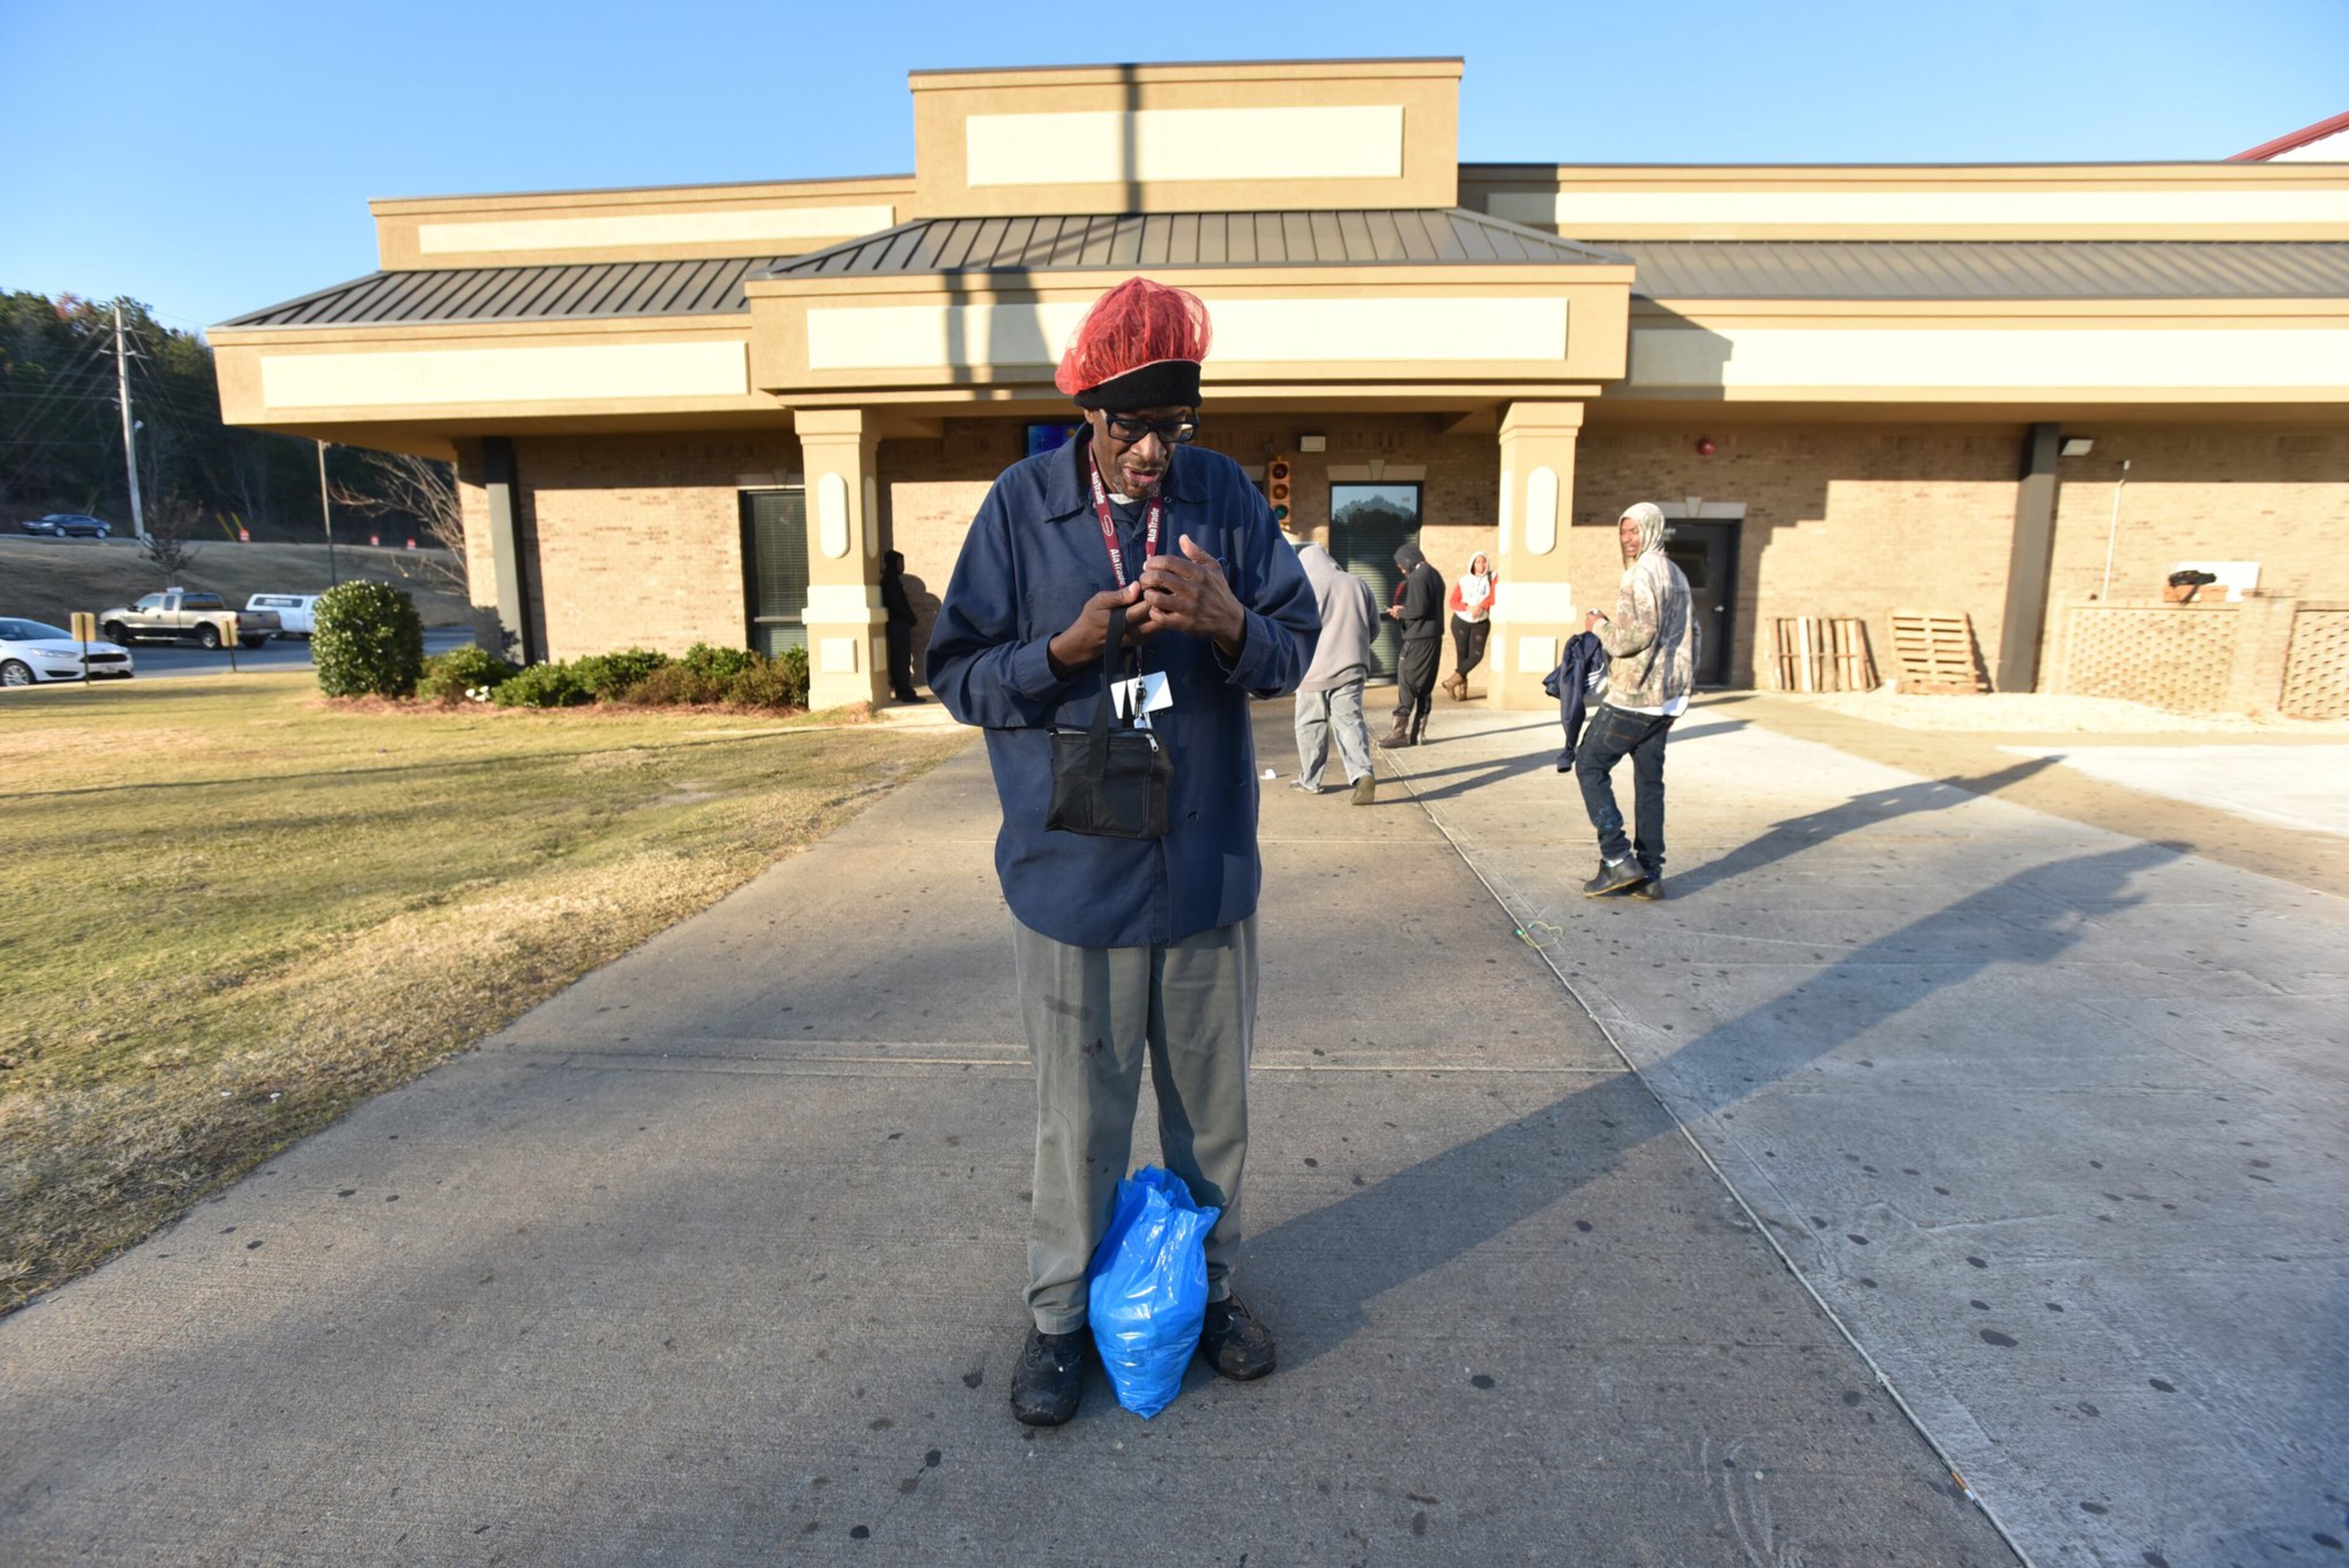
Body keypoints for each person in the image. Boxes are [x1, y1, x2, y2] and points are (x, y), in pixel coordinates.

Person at [926, 277, 1319, 1427]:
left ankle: (1207, 1293)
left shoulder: (1227, 501)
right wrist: (1064, 648)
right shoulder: (1018, 508)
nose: (1155, 451)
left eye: (1175, 427)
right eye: (1132, 426)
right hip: (1074, 875)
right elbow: (958, 673)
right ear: (1088, 412)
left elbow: (1295, 648)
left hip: (1202, 873)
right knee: (1080, 1119)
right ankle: (1058, 1320)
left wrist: (1229, 619)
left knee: (1212, 1114)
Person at [1576, 502, 1695, 901]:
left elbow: (1634, 636)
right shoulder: (1676, 574)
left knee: (1589, 763)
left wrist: (1598, 626)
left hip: (1636, 695)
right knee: (1649, 784)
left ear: (1652, 529)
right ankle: (1650, 873)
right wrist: (1682, 689)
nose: (1628, 538)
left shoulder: (1639, 574)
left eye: (1634, 530)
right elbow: (1693, 632)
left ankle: (1616, 857)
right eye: (1623, 530)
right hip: (1667, 700)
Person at [1290, 536, 1378, 804]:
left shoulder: (1304, 588)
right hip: (1351, 668)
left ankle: (1310, 780)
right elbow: (1373, 627)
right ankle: (1362, 773)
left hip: (1311, 672)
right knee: (1350, 721)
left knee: (1310, 726)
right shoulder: (1357, 584)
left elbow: (1292, 630)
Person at [1379, 541, 1445, 746]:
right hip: (1433, 638)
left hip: (1417, 640)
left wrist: (1400, 612)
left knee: (1407, 682)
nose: (1401, 569)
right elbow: (1424, 607)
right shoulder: (1434, 574)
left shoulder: (1418, 576)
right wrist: (1407, 609)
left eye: (1401, 565)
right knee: (1425, 686)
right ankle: (1418, 734)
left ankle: (1398, 734)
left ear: (1408, 559)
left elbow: (1418, 610)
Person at [1442, 551, 1496, 701]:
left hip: (1481, 622)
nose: (1482, 565)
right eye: (1478, 562)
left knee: (1476, 655)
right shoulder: (1464, 581)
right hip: (1461, 620)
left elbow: (1493, 598)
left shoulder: (1492, 578)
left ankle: (1450, 682)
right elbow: (1453, 601)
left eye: (1484, 561)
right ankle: (1462, 692)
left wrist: (1480, 607)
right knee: (1462, 655)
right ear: (1472, 564)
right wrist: (1469, 608)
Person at [880, 549, 920, 702]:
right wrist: (910, 618)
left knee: (903, 659)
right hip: (897, 625)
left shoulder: (894, 580)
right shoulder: (890, 581)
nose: (903, 566)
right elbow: (897, 606)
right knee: (900, 659)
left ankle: (905, 689)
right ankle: (904, 691)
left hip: (901, 625)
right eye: (900, 563)